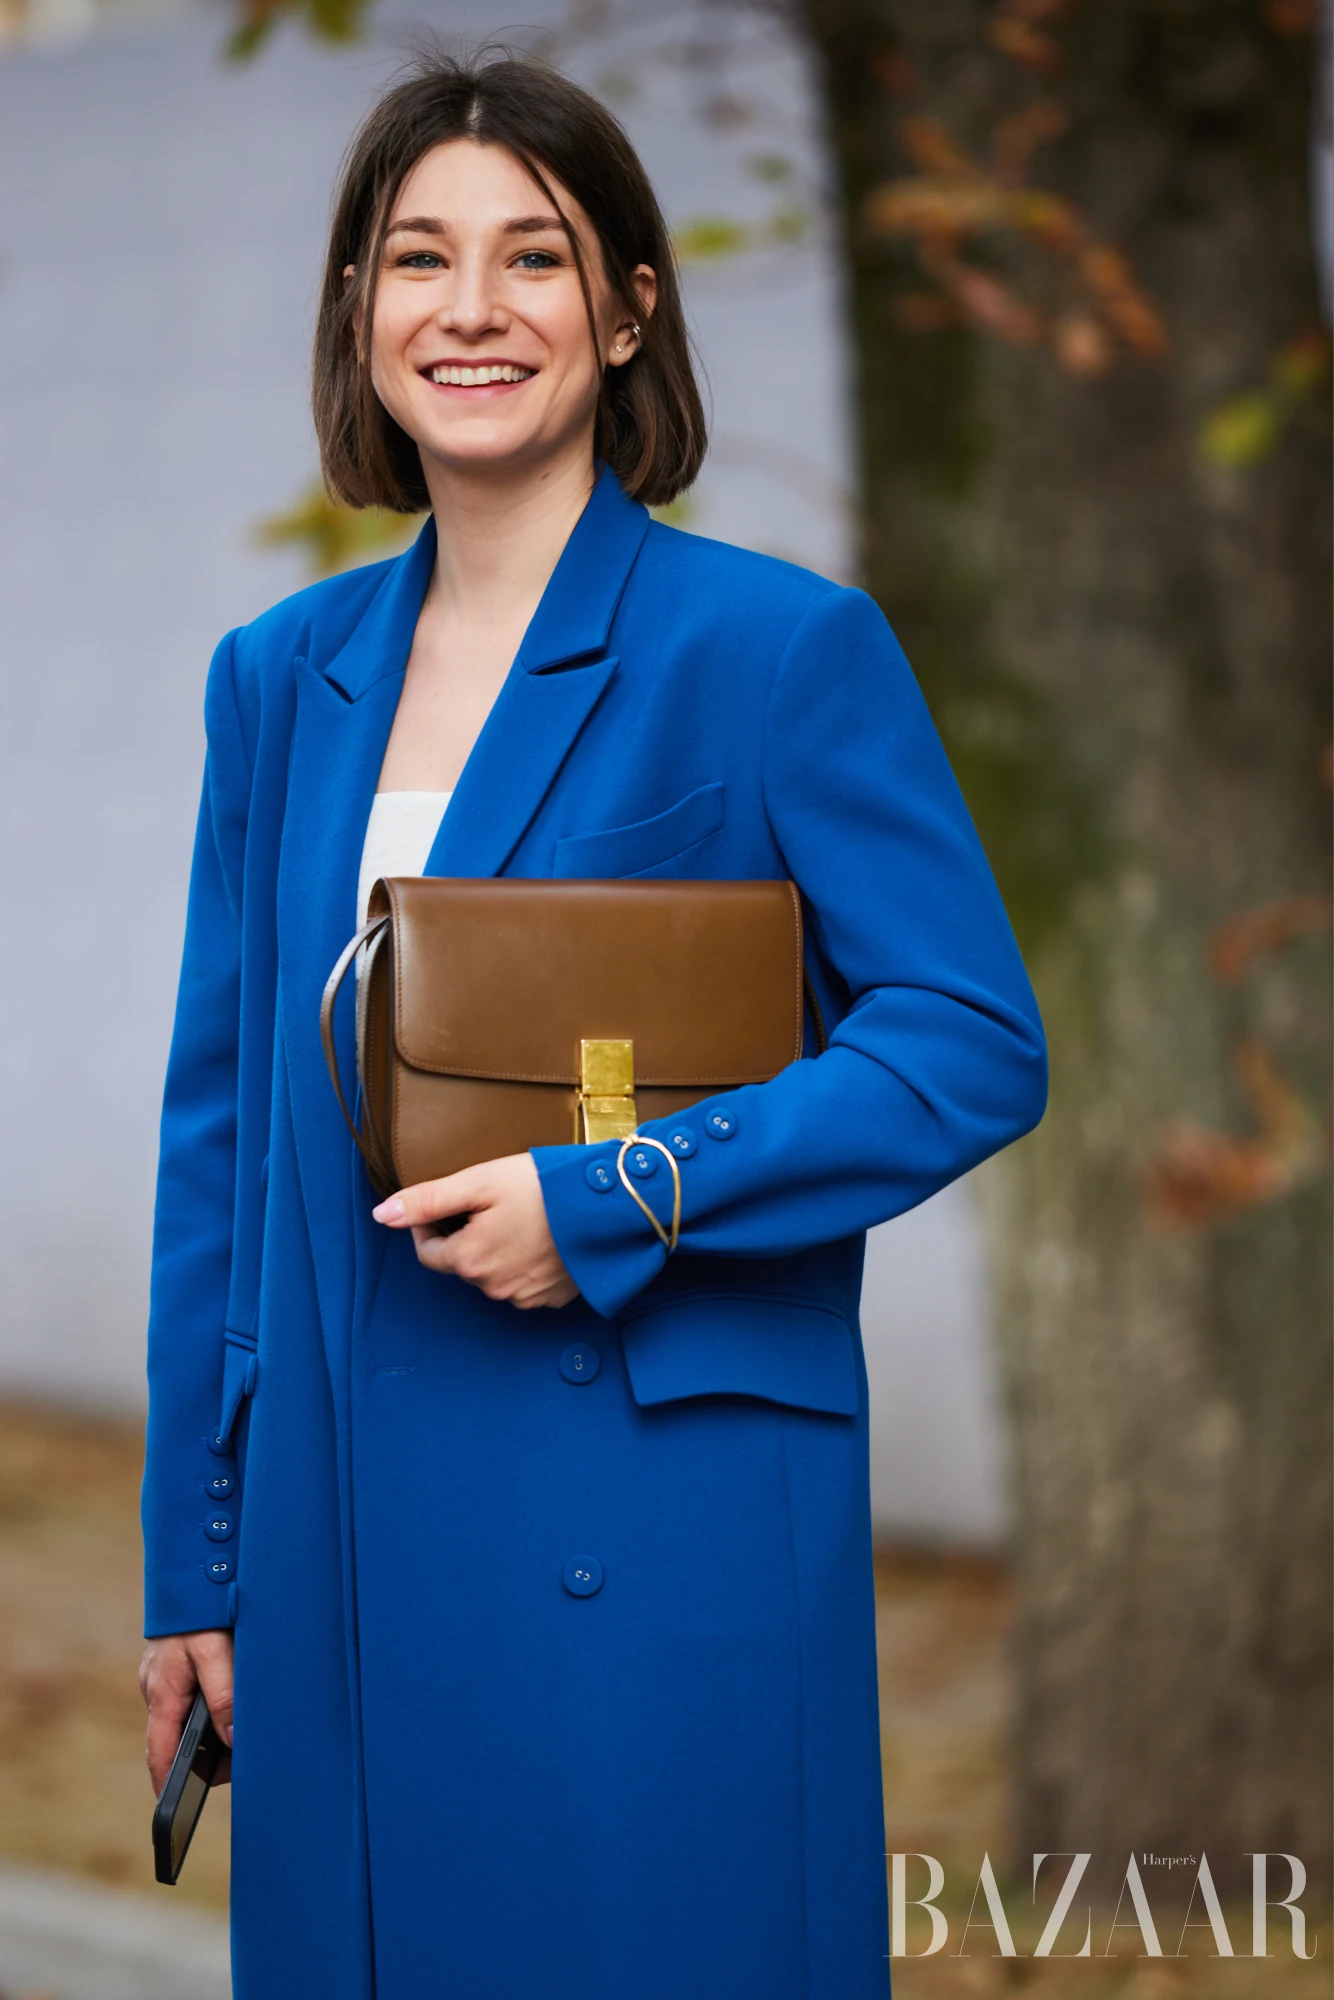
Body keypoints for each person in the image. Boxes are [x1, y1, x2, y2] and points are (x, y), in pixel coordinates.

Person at [138, 49, 1046, 2000]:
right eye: (416, 259)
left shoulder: (776, 649)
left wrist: (624, 1186)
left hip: (649, 1514)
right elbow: (221, 1135)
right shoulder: (277, 680)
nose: (469, 310)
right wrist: (194, 1565)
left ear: (630, 304)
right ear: (358, 312)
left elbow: (967, 1034)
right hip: (341, 1537)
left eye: (532, 257)